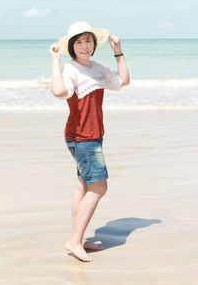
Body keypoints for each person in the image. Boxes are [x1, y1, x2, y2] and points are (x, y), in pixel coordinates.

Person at [49, 21, 130, 262]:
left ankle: (79, 237)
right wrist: (55, 61)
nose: (84, 46)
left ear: (94, 44)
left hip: (91, 135)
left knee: (83, 186)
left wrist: (118, 52)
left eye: (88, 41)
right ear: (72, 47)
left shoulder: (96, 68)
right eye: (79, 42)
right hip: (82, 137)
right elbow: (57, 91)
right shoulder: (71, 70)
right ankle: (74, 241)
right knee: (99, 187)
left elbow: (123, 81)